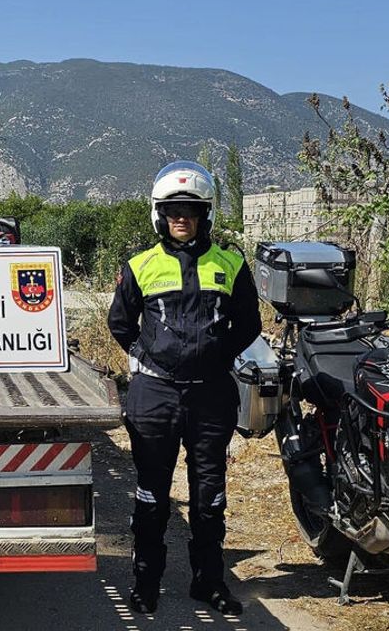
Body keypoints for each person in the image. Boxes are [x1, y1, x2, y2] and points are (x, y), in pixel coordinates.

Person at [106, 161, 261, 616]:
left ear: (204, 214)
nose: (181, 218)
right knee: (152, 494)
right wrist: (148, 355)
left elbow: (248, 324)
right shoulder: (140, 265)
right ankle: (145, 582)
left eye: (190, 211)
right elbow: (120, 322)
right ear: (159, 214)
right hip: (155, 395)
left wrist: (216, 356)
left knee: (209, 497)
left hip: (210, 396)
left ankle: (209, 582)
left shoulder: (231, 264)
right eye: (173, 211)